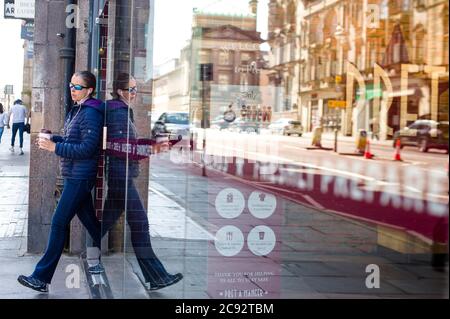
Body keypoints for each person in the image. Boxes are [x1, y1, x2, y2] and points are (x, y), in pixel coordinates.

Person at [17, 71, 104, 293]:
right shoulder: (78, 109)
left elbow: (87, 148)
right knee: (93, 225)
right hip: (73, 174)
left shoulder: (92, 113)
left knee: (58, 223)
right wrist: (53, 139)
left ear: (89, 90)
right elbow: (71, 140)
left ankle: (41, 277)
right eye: (71, 85)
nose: (72, 90)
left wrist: (55, 148)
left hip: (80, 177)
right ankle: (106, 254)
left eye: (77, 87)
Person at [103, 73, 183, 291]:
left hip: (121, 175)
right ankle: (156, 276)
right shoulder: (118, 112)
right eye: (131, 89)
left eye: (136, 89)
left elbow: (129, 143)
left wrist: (162, 142)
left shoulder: (120, 111)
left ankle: (76, 250)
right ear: (120, 91)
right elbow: (122, 147)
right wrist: (158, 146)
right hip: (121, 176)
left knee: (102, 224)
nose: (135, 94)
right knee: (140, 224)